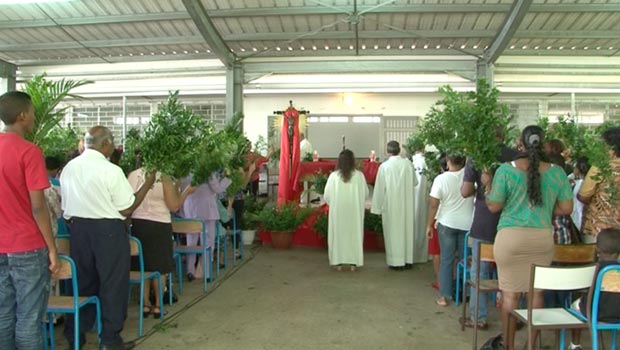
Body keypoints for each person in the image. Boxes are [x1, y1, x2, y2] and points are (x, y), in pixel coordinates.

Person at [61, 126, 155, 350]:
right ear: (105, 144)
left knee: (82, 284)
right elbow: (127, 208)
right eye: (112, 142)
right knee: (113, 284)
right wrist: (147, 184)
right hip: (108, 232)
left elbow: (65, 206)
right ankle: (110, 340)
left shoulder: (69, 168)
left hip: (79, 231)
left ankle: (76, 336)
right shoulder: (111, 170)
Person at [485, 125, 573, 350]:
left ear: (520, 145)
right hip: (541, 238)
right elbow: (566, 208)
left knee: (509, 297)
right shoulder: (557, 172)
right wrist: (545, 210)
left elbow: (494, 206)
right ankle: (531, 346)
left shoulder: (506, 170)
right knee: (536, 294)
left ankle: (509, 346)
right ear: (543, 145)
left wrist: (487, 187)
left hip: (510, 240)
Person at [0, 91, 60, 350]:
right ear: (22, 115)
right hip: (27, 245)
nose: (35, 116)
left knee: (2, 315)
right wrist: (52, 249)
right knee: (29, 318)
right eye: (32, 112)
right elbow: (38, 208)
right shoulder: (29, 151)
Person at [460, 138, 518, 328]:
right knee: (513, 271)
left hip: (484, 221)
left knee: (480, 271)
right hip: (511, 219)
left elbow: (465, 191)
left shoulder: (475, 158)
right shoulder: (514, 156)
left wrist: (481, 184)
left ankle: (479, 317)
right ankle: (516, 317)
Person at [127, 167, 195, 318]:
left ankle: (145, 304)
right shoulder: (163, 177)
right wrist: (186, 192)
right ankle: (158, 305)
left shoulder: (133, 175)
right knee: (160, 267)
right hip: (159, 224)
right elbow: (174, 205)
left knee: (143, 266)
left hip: (138, 224)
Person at [426, 153, 474, 307]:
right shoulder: (469, 177)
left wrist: (429, 224)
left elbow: (434, 204)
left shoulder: (441, 179)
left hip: (446, 223)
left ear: (447, 161)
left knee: (447, 260)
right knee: (465, 259)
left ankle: (444, 296)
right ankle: (465, 293)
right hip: (467, 224)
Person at [568, 227, 620, 350]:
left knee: (573, 305)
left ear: (597, 249)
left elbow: (586, 292)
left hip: (596, 314)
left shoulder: (594, 269)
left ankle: (575, 344)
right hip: (618, 314)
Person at [371, 140, 417, 270]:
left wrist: (377, 208)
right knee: (406, 230)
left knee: (393, 232)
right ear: (399, 150)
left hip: (391, 204)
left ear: (387, 151)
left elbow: (379, 189)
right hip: (406, 203)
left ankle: (395, 262)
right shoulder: (408, 164)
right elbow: (415, 182)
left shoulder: (385, 167)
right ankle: (408, 260)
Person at [179, 172, 231, 280]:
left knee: (191, 242)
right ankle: (206, 273)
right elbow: (217, 189)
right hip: (207, 209)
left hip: (189, 207)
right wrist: (227, 178)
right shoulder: (207, 169)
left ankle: (190, 270)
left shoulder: (184, 169)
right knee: (208, 243)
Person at [323, 149, 369, 271]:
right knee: (353, 235)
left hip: (338, 212)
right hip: (354, 212)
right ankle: (353, 263)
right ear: (353, 161)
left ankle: (338, 262)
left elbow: (327, 196)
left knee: (339, 235)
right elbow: (365, 194)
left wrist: (334, 203)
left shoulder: (334, 176)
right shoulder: (359, 176)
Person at [578, 126, 620, 243]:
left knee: (597, 260)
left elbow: (583, 196)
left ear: (611, 147)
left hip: (600, 230)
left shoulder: (601, 167)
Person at [411, 143, 429, 264]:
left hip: (412, 198)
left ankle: (412, 254)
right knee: (423, 223)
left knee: (413, 225)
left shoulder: (410, 163)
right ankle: (423, 255)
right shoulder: (428, 163)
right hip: (425, 197)